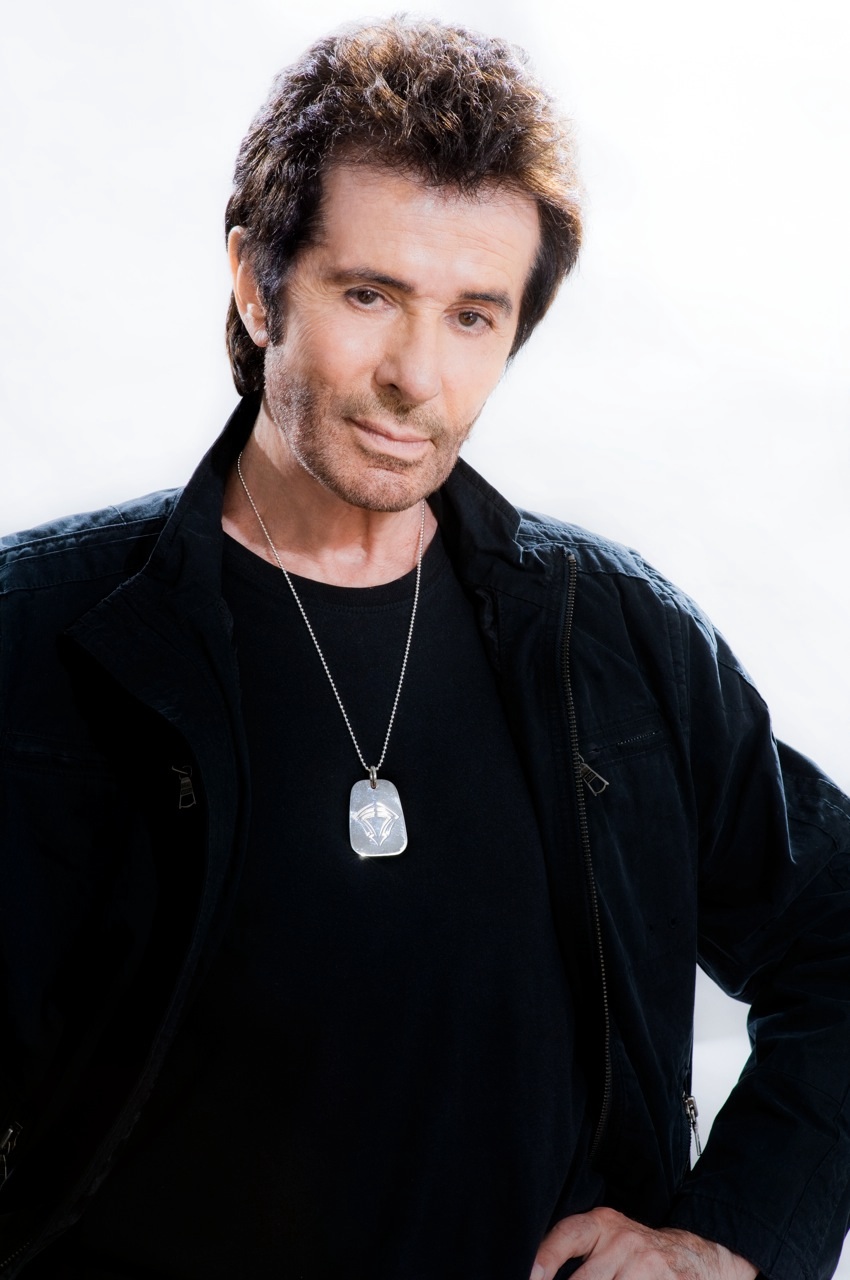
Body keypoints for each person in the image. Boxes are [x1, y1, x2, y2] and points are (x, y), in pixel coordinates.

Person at [0, 16, 848, 1280]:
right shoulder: (32, 637)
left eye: (471, 316)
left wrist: (729, 1241)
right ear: (256, 283)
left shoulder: (618, 639)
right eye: (368, 295)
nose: (416, 375)